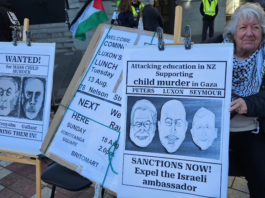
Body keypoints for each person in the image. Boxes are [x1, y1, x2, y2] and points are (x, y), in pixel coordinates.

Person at [221, 3, 265, 197]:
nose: (249, 33)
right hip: (217, 130)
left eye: (255, 27)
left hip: (252, 130)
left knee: (261, 180)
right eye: (243, 27)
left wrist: (249, 104)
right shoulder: (213, 49)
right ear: (233, 32)